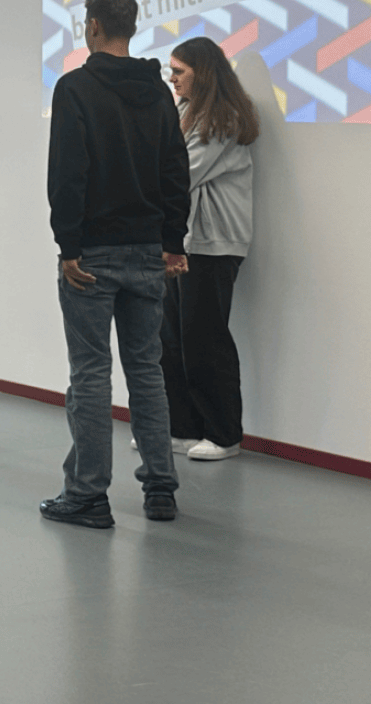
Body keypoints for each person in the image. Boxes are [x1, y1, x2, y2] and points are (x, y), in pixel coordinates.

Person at [42, 0, 189, 528]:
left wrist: (68, 245)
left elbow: (68, 173)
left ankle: (87, 495)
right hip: (148, 249)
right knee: (146, 371)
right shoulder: (158, 93)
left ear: (95, 26)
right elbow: (177, 171)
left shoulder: (74, 88)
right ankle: (160, 490)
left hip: (94, 253)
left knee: (90, 373)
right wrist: (173, 242)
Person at [158, 36, 258, 462]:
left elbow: (180, 172)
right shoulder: (182, 110)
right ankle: (182, 427)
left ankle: (223, 433)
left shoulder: (224, 118)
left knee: (204, 339)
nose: (172, 78)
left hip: (214, 244)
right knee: (171, 338)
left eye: (179, 71)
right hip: (182, 241)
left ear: (204, 72)